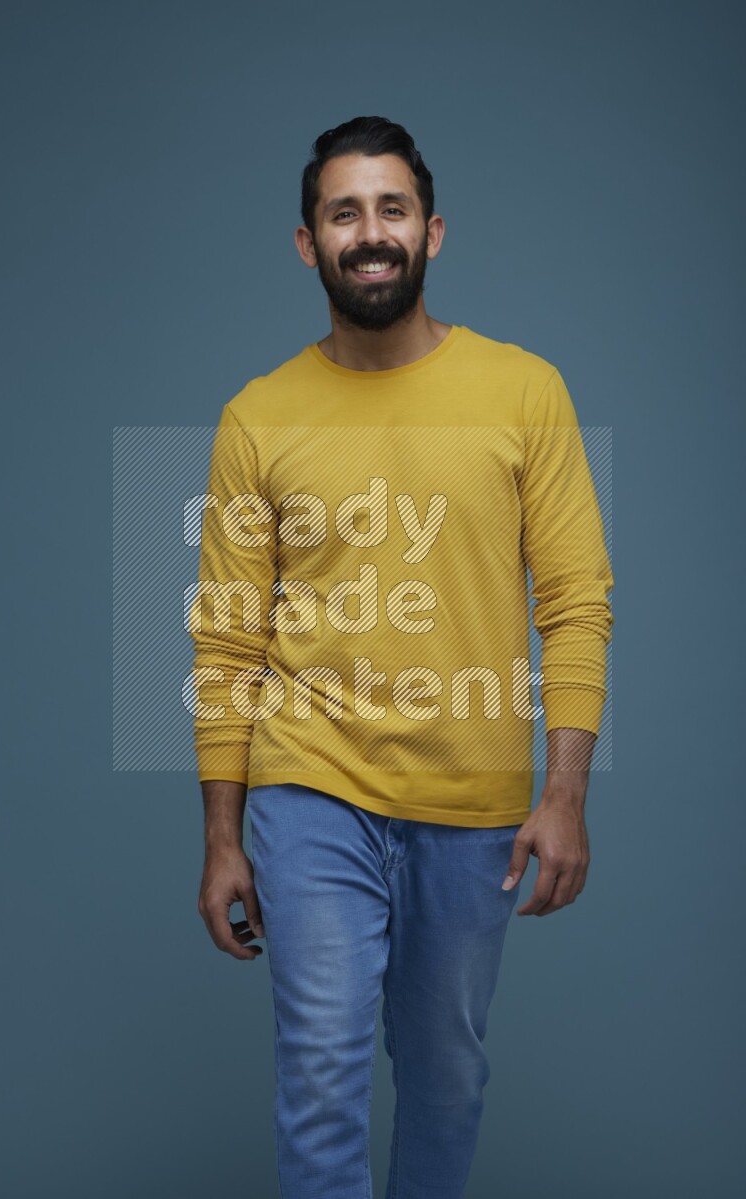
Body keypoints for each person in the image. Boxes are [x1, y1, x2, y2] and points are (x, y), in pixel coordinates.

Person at [190, 115, 614, 1199]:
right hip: (307, 788)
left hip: (472, 799)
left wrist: (562, 791)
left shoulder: (524, 392)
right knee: (321, 1064)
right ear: (306, 242)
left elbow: (573, 600)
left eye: (390, 208)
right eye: (344, 212)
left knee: (443, 1076)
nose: (369, 232)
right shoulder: (257, 418)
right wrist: (222, 835)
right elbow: (228, 635)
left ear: (431, 230)